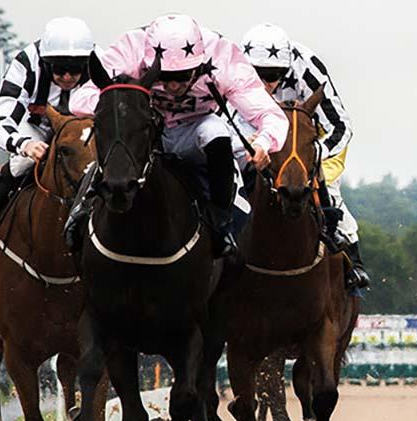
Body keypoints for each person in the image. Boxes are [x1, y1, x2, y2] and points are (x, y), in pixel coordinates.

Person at [65, 13, 288, 257]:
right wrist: (128, 100)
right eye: (165, 77)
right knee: (117, 126)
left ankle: (221, 222)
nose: (173, 87)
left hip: (196, 128)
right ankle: (82, 209)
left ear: (199, 63)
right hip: (147, 127)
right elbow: (79, 101)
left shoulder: (223, 56)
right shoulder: (131, 48)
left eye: (182, 76)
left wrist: (264, 142)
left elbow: (272, 115)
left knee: (217, 132)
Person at [240, 22, 367, 288]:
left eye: (273, 75)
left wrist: (312, 155)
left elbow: (340, 126)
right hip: (260, 137)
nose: (265, 84)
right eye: (258, 75)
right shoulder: (235, 72)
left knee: (325, 184)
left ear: (286, 68)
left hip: (310, 141)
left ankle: (350, 255)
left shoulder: (307, 69)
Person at [0, 17, 97, 263]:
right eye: (59, 68)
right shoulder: (26, 63)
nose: (67, 76)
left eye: (75, 68)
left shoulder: (102, 64)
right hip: (37, 128)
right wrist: (24, 145)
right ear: (46, 62)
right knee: (21, 164)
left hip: (82, 132)